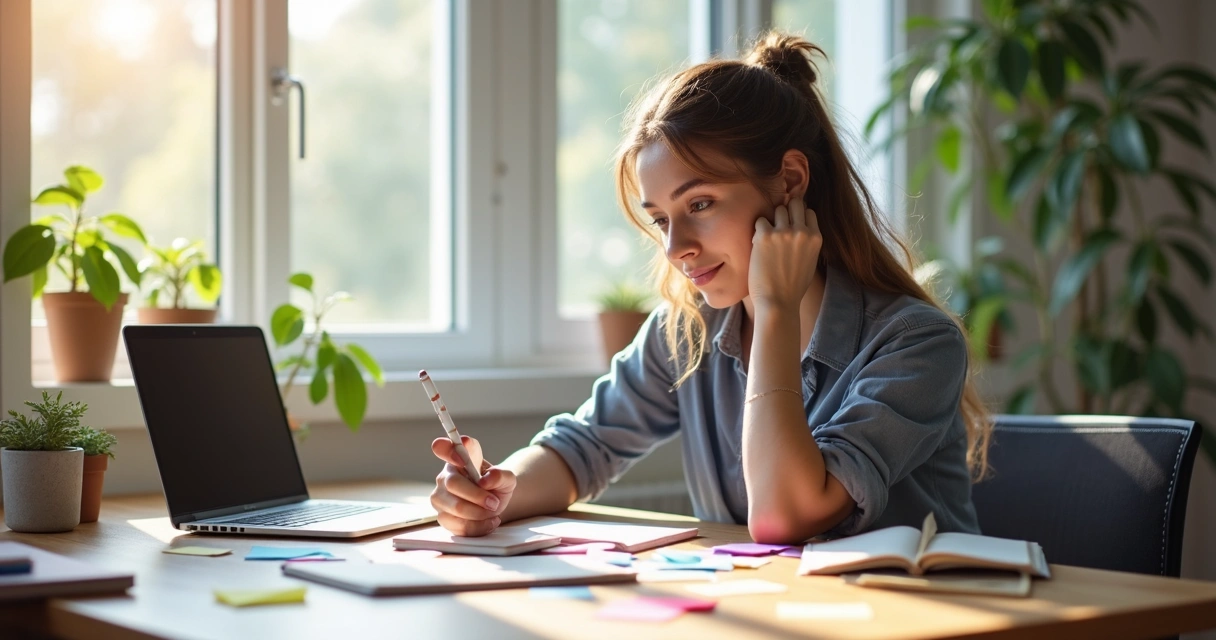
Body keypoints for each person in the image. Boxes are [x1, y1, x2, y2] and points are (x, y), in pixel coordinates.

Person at [429, 32, 992, 545]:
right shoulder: (690, 329)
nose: (677, 249)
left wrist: (775, 311)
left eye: (700, 204)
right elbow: (582, 449)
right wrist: (497, 491)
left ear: (791, 181)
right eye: (661, 219)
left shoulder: (917, 343)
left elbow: (782, 518)